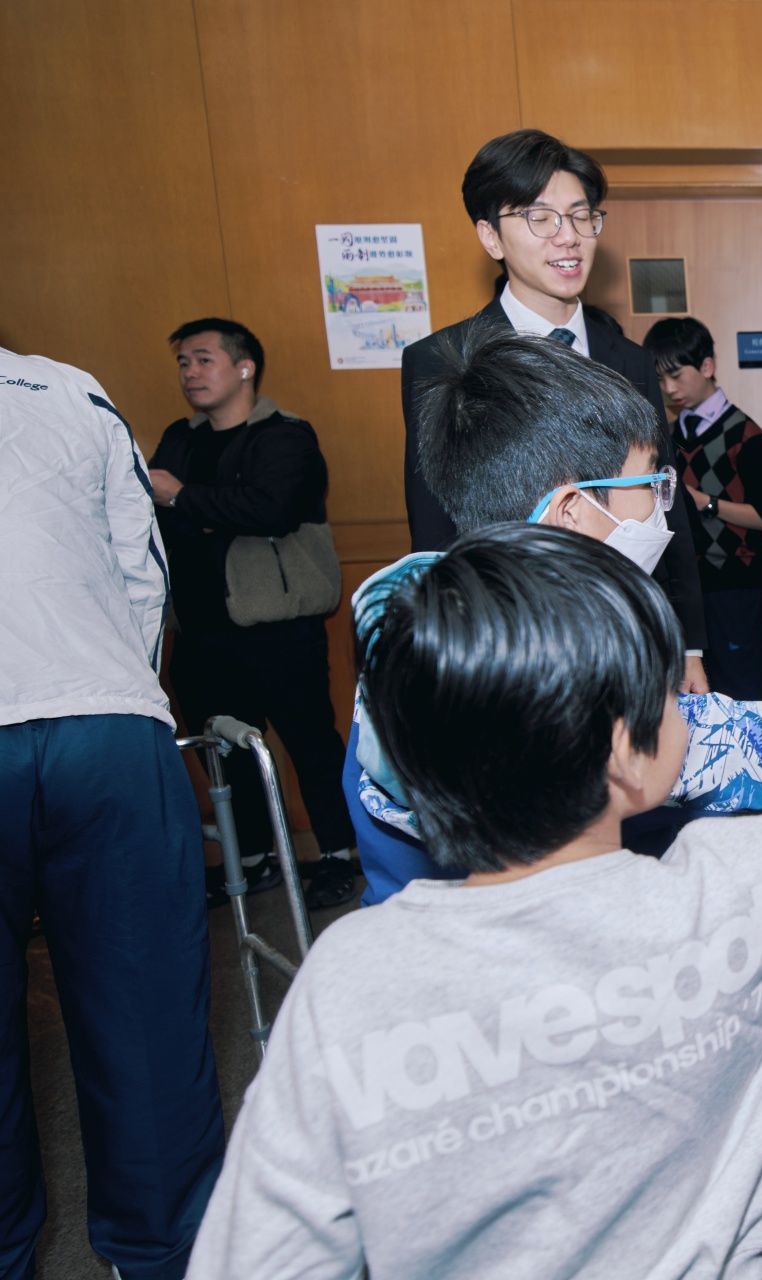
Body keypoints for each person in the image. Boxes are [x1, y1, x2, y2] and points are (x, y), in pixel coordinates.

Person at [184, 524, 762, 1279]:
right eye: (669, 694)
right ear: (626, 755)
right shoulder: (742, 892)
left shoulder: (345, 979)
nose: (690, 705)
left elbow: (258, 1254)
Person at [348, 330, 762, 903]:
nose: (662, 504)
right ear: (572, 509)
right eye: (652, 481)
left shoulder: (402, 636)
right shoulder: (595, 693)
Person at [1, 348, 224, 1280]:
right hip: (107, 723)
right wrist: (112, 681)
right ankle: (165, 1255)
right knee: (146, 1021)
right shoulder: (67, 387)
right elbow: (142, 564)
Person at [400, 127, 711, 692]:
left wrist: (687, 642)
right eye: (539, 218)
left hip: (630, 633)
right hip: (514, 645)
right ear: (491, 236)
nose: (568, 237)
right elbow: (435, 524)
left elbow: (666, 501)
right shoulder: (442, 360)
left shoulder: (630, 358)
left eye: (581, 216)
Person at [148, 319, 358, 909]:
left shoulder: (284, 436)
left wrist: (184, 498)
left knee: (310, 745)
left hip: (277, 628)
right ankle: (252, 860)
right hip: (200, 631)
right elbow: (157, 516)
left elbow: (271, 508)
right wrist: (203, 509)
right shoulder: (180, 439)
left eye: (203, 359)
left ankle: (338, 856)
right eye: (183, 363)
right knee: (226, 753)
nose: (190, 373)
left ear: (245, 368)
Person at [647, 316, 762, 701]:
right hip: (681, 587)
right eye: (660, 379)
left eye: (676, 375)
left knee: (740, 692)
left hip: (734, 585)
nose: (669, 389)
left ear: (707, 366)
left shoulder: (746, 434)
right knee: (690, 695)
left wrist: (704, 503)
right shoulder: (667, 436)